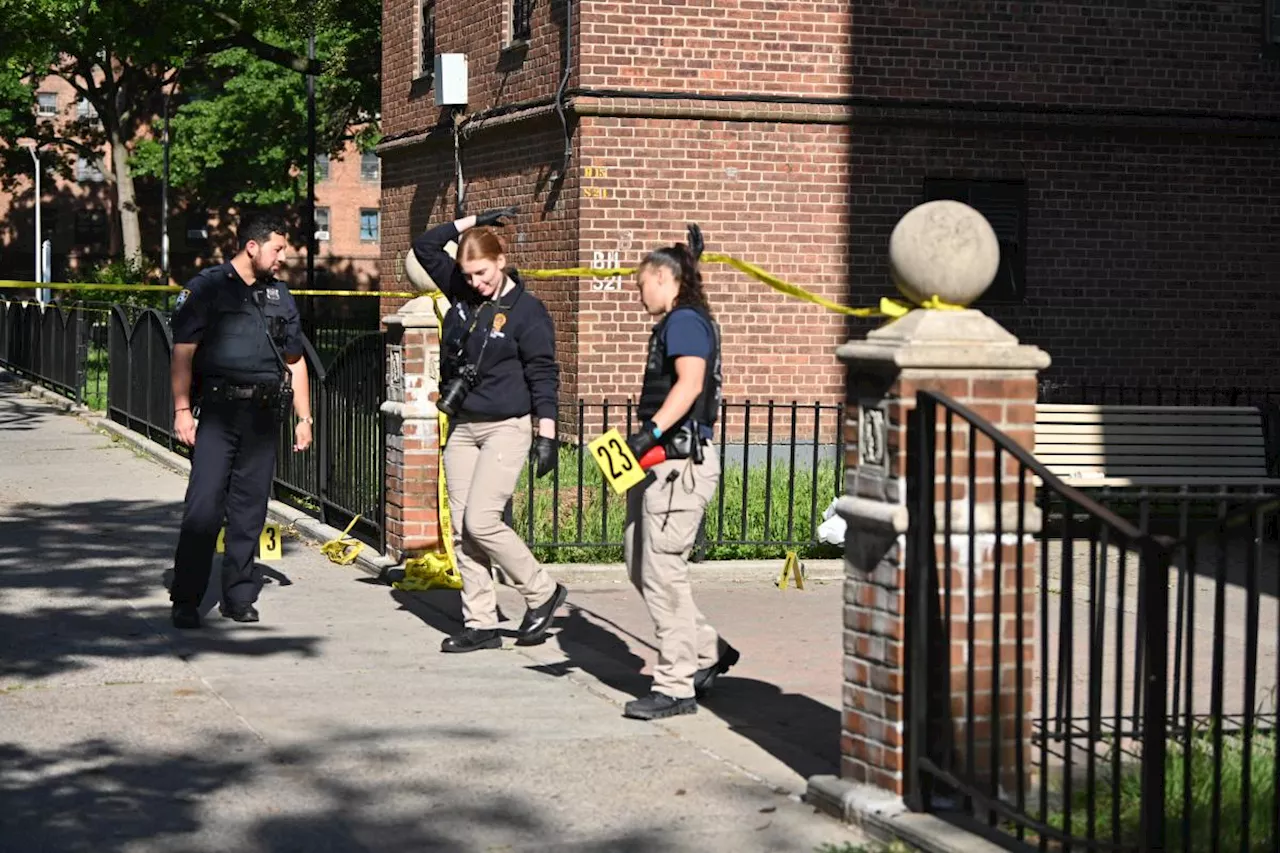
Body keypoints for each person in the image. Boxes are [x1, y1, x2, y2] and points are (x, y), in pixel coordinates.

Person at [411, 206, 567, 653]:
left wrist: (547, 435)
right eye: (469, 274)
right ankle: (479, 622)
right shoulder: (461, 291)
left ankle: (541, 591)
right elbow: (423, 247)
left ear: (501, 260)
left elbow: (543, 374)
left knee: (482, 520)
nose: (476, 282)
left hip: (506, 427)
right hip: (463, 427)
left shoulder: (528, 312)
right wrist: (472, 220)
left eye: (482, 272)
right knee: (461, 528)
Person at [168, 213, 312, 629]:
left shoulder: (280, 296)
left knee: (249, 510)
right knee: (203, 507)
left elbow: (295, 359)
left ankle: (238, 596)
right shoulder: (208, 288)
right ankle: (187, 597)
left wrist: (305, 418)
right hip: (218, 412)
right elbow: (183, 352)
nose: (283, 256)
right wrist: (181, 410)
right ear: (253, 247)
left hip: (263, 417)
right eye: (277, 248)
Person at [621, 225, 740, 721]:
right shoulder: (680, 320)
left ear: (665, 279)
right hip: (660, 464)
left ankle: (675, 686)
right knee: (639, 563)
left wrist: (650, 432)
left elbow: (690, 384)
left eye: (641, 282)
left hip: (677, 467)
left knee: (664, 573)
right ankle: (707, 651)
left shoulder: (685, 321)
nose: (638, 291)